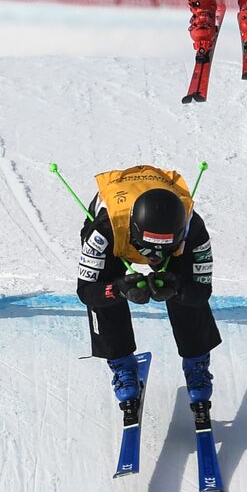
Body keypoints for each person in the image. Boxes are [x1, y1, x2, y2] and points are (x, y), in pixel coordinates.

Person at [76, 165, 221, 427]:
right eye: (145, 249)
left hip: (160, 237)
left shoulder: (194, 230)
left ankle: (197, 363)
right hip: (117, 231)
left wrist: (178, 287)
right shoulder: (103, 231)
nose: (152, 258)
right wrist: (117, 289)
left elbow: (202, 291)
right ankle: (121, 364)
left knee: (188, 294)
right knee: (103, 297)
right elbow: (86, 291)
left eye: (161, 252)